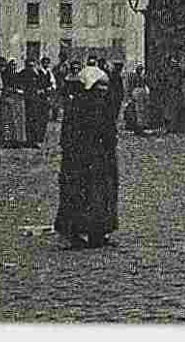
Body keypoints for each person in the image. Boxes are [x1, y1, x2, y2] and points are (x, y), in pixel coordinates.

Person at [55, 63, 119, 249]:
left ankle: (98, 232)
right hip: (82, 160)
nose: (103, 93)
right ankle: (76, 233)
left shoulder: (100, 106)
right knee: (80, 195)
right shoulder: (79, 107)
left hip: (100, 159)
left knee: (100, 195)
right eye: (100, 88)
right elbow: (69, 136)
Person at [19, 58, 51, 149]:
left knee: (36, 120)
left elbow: (43, 85)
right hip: (27, 100)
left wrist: (42, 91)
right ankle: (29, 140)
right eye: (29, 66)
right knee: (28, 120)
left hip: (37, 100)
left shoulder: (38, 74)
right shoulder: (23, 73)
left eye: (32, 65)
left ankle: (35, 140)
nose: (31, 68)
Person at [0, 59, 28, 148]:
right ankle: (7, 139)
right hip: (8, 99)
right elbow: (3, 87)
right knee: (7, 121)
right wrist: (9, 90)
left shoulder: (18, 76)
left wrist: (20, 90)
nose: (13, 67)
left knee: (18, 121)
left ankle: (17, 139)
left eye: (15, 65)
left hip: (17, 100)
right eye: (12, 65)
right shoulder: (4, 76)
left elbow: (23, 87)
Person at [127, 64, 151, 134]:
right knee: (137, 111)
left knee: (141, 111)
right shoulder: (134, 77)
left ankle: (141, 126)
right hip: (137, 93)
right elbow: (131, 87)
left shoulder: (141, 78)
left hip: (140, 94)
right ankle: (138, 127)